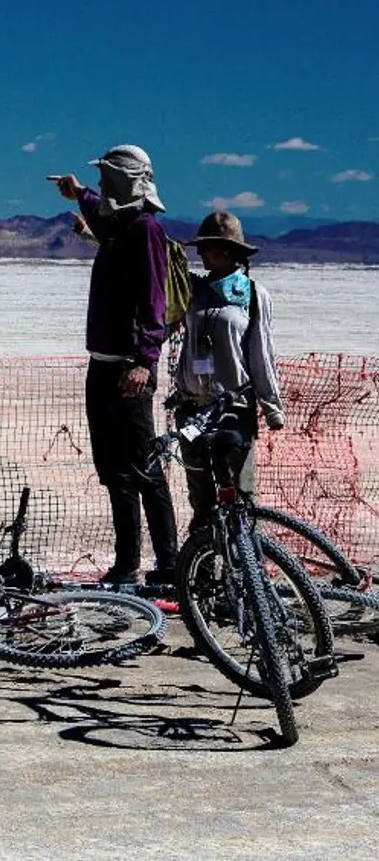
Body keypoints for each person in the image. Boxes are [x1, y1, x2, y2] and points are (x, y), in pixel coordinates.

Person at [53, 145, 178, 586]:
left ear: (124, 181)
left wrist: (144, 360)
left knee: (143, 468)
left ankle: (169, 566)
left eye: (107, 177)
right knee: (115, 471)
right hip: (103, 366)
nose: (102, 184)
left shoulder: (145, 229)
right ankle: (127, 565)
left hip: (129, 367)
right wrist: (81, 195)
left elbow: (154, 299)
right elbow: (105, 221)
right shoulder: (122, 226)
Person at [175, 211, 285, 534]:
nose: (200, 253)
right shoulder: (192, 289)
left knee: (239, 495)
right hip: (192, 409)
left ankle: (246, 559)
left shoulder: (253, 295)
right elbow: (150, 265)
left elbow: (261, 353)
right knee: (201, 498)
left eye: (207, 246)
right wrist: (92, 235)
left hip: (233, 409)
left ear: (227, 250)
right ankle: (204, 560)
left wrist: (271, 406)